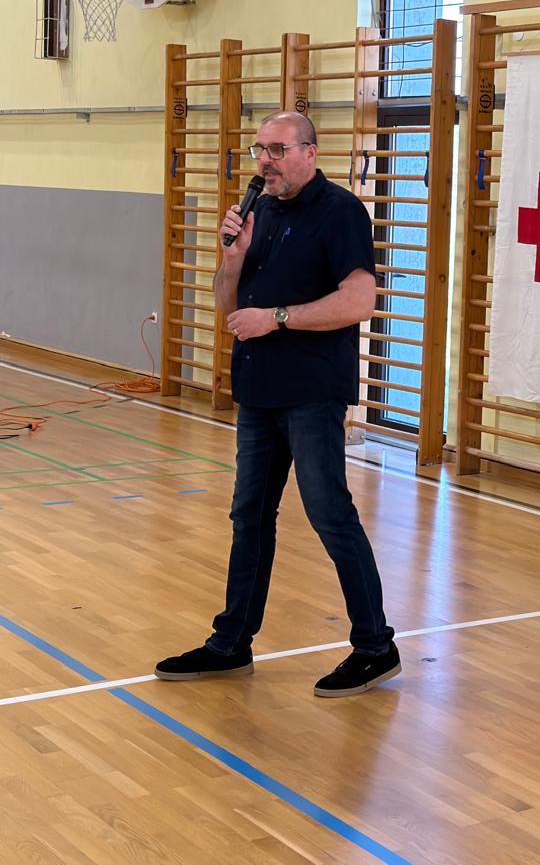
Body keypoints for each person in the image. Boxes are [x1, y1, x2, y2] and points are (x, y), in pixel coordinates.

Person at [154, 111, 399, 697]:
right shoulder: (259, 212)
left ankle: (375, 646)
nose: (266, 160)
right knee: (250, 517)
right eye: (260, 149)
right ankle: (230, 643)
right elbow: (228, 307)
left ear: (310, 153)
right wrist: (233, 258)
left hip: (312, 392)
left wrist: (279, 318)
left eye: (278, 149)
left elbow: (359, 301)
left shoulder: (340, 212)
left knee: (329, 514)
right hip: (259, 392)